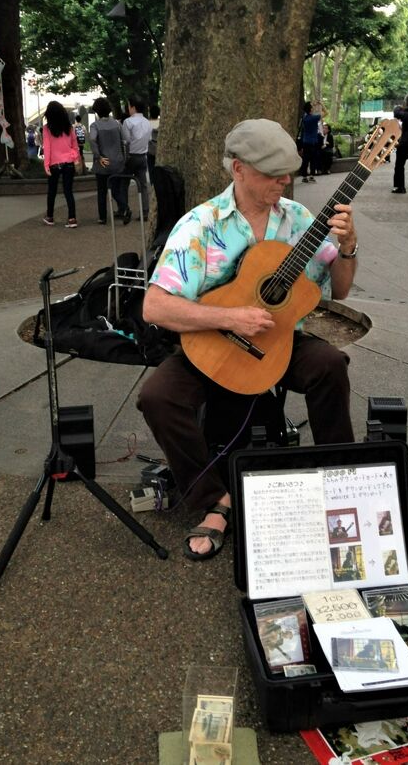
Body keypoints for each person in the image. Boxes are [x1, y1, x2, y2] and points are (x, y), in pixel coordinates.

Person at [137, 119, 357, 561]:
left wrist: (349, 245)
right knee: (158, 397)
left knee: (330, 365)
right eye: (272, 173)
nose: (285, 180)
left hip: (280, 340)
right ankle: (213, 500)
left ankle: (342, 483)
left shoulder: (298, 220)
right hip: (214, 343)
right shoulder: (200, 226)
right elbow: (154, 307)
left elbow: (342, 287)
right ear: (237, 169)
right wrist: (228, 317)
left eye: (287, 171)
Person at [89, 97, 131, 225]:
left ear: (97, 111)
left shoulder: (95, 125)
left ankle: (102, 217)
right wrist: (124, 156)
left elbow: (92, 139)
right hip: (117, 162)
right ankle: (124, 208)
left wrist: (98, 156)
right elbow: (127, 140)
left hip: (103, 163)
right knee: (116, 190)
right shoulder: (117, 124)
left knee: (102, 191)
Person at [41, 101, 80, 228]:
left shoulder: (47, 129)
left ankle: (50, 217)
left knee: (52, 191)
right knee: (68, 191)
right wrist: (75, 158)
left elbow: (47, 147)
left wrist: (46, 165)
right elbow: (75, 146)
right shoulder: (69, 128)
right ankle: (72, 218)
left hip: (54, 164)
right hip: (69, 163)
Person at [122, 94, 152, 220]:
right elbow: (149, 139)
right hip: (143, 156)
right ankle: (145, 211)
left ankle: (124, 209)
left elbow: (126, 140)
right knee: (143, 185)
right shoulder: (147, 122)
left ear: (133, 107)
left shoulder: (128, 122)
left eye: (129, 105)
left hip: (131, 156)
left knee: (124, 183)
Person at [298, 100, 325, 183]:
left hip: (305, 141)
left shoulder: (304, 118)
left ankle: (304, 176)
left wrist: (312, 104)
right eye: (312, 107)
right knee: (313, 159)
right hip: (313, 141)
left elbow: (307, 109)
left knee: (305, 159)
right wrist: (321, 104)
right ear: (310, 109)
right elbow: (325, 112)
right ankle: (312, 176)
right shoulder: (314, 118)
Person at [147, 103, 160, 186]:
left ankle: (153, 185)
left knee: (151, 170)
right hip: (160, 150)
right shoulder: (162, 123)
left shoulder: (147, 124)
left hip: (151, 151)